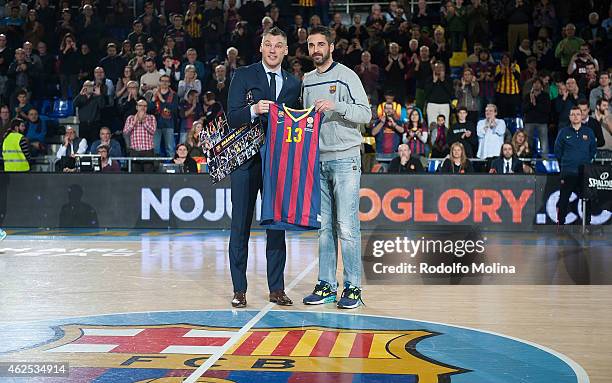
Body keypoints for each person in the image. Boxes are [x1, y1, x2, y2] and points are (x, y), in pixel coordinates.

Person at [226, 27, 301, 308]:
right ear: (261, 47)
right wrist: (255, 110)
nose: (272, 49)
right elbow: (232, 117)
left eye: (278, 45)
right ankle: (239, 289)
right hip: (245, 162)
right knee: (240, 226)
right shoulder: (244, 75)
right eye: (268, 44)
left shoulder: (294, 84)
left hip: (277, 164)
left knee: (276, 226)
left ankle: (277, 289)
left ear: (285, 50)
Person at [302, 26, 371, 309]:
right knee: (324, 229)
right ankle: (327, 285)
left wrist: (337, 105)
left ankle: (353, 287)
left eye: (321, 44)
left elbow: (365, 113)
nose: (316, 49)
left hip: (345, 158)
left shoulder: (346, 76)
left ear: (331, 47)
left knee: (347, 226)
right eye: (311, 45)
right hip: (318, 160)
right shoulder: (306, 80)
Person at [554, 106, 597, 226]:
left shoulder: (588, 132)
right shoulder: (563, 132)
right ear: (569, 117)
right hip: (568, 171)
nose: (576, 116)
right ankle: (560, 223)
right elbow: (557, 151)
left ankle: (586, 224)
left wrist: (589, 163)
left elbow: (593, 150)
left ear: (582, 115)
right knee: (563, 199)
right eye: (573, 114)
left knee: (587, 199)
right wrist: (565, 163)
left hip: (585, 172)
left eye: (578, 114)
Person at [123, 99, 156, 172]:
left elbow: (153, 131)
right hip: (135, 151)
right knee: (135, 175)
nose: (143, 107)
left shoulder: (151, 118)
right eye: (140, 105)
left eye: (145, 106)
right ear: (136, 107)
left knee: (149, 174)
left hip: (148, 151)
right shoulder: (130, 118)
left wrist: (143, 121)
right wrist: (134, 123)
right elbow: (125, 132)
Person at [522, 77, 551, 157]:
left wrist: (535, 104)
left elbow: (547, 109)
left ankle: (545, 160)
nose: (536, 85)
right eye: (535, 83)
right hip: (529, 122)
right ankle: (528, 160)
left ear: (541, 86)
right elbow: (524, 109)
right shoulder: (528, 96)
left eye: (538, 83)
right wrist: (531, 103)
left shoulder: (545, 96)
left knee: (544, 142)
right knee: (527, 142)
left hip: (542, 122)